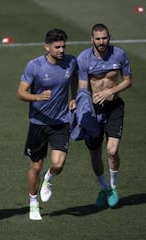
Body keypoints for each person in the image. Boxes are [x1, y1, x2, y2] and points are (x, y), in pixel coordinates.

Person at [17, 29, 78, 220]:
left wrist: (75, 96)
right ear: (47, 47)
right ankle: (33, 203)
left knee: (58, 164)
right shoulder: (34, 66)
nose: (61, 50)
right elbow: (20, 93)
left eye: (63, 46)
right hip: (38, 123)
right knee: (36, 167)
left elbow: (75, 78)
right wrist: (37, 96)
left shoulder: (71, 62)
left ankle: (48, 179)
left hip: (61, 122)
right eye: (57, 47)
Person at [77, 23, 132, 208]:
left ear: (109, 37)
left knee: (112, 150)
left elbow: (127, 81)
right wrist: (80, 103)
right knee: (95, 152)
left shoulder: (119, 54)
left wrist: (111, 91)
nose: (102, 42)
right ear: (92, 39)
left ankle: (114, 187)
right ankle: (103, 187)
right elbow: (83, 86)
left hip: (114, 106)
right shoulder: (84, 58)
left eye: (105, 38)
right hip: (93, 111)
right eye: (98, 38)